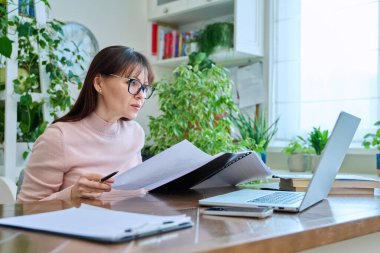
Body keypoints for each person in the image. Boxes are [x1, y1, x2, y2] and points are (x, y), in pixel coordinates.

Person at [17, 45, 154, 202]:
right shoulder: (58, 138)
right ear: (99, 83)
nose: (141, 95)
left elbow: (139, 193)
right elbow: (25, 209)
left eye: (145, 87)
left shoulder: (135, 133)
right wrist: (71, 195)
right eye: (133, 82)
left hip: (134, 224)